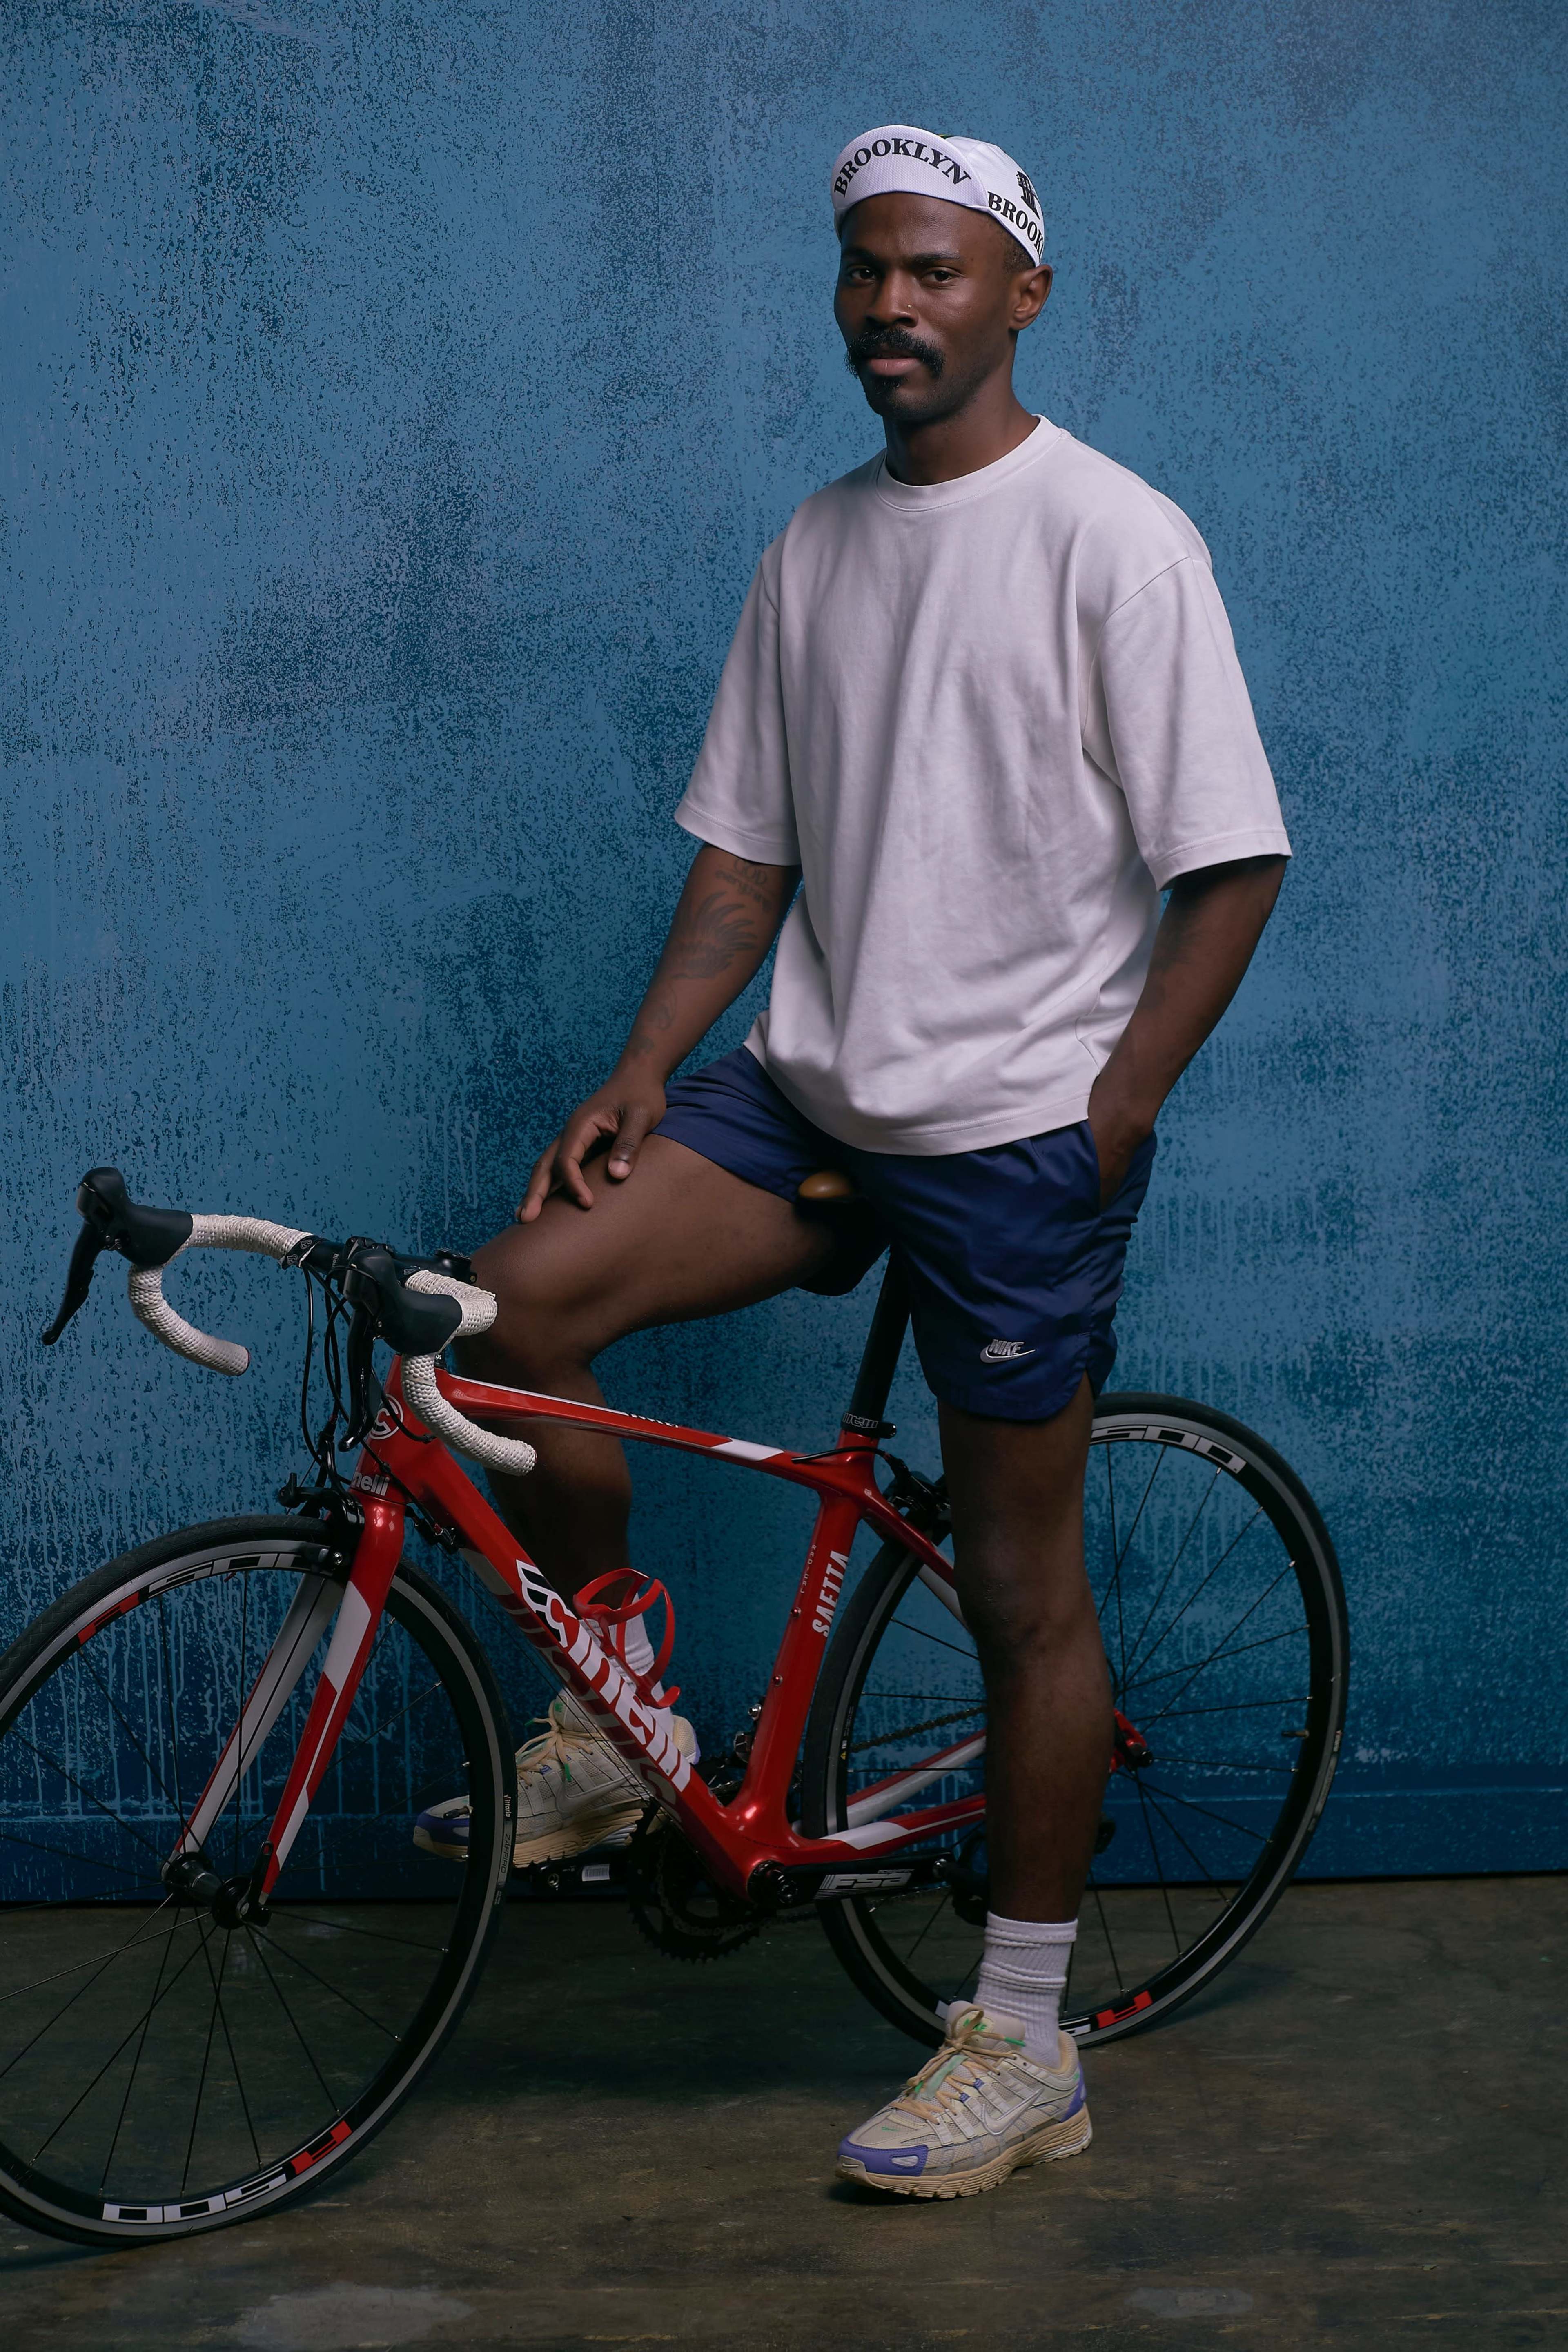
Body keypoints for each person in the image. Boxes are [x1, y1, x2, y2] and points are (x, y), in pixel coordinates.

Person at [418, 122, 1290, 2199]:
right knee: (506, 1311)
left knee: (1015, 1591)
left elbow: (1232, 863)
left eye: (937, 272)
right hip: (812, 1103)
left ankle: (1019, 2038)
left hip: (1010, 1145)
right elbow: (750, 854)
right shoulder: (816, 544)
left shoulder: (1116, 537)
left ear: (1021, 293)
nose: (894, 307)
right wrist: (646, 1068)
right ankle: (615, 1737)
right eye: (866, 273)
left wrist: (1114, 1109)